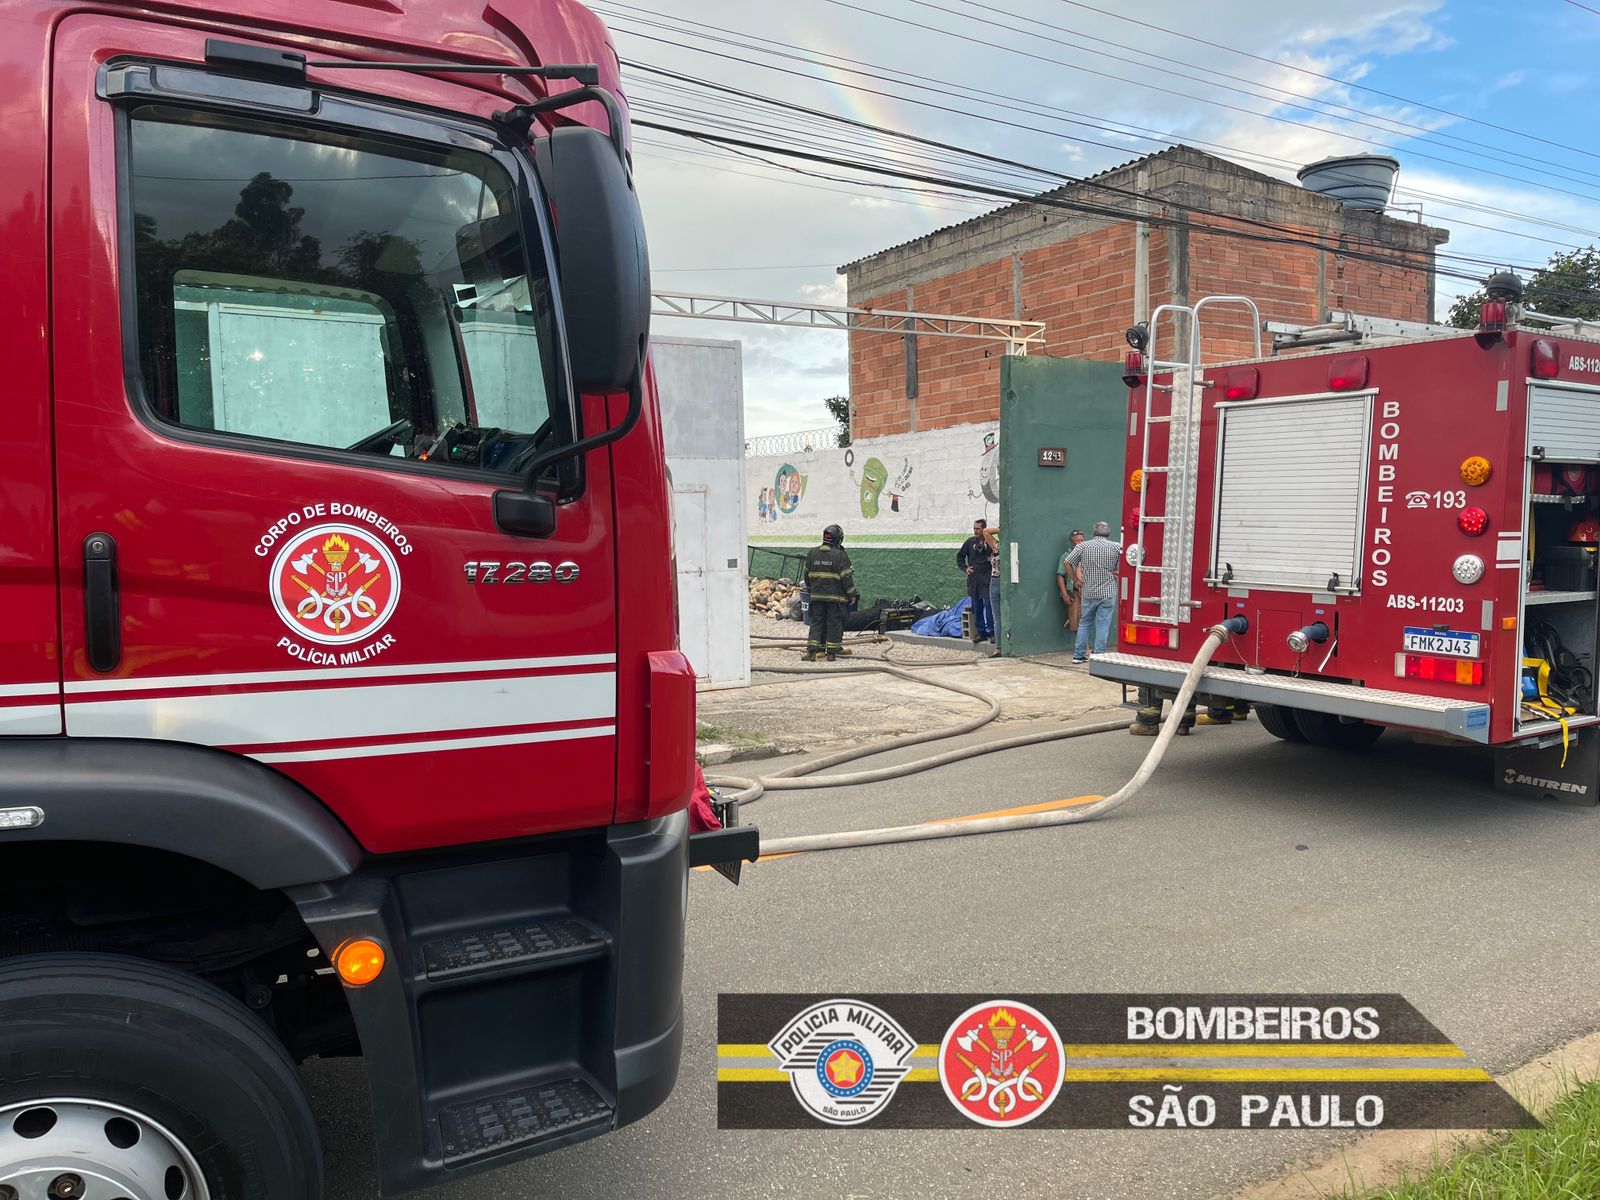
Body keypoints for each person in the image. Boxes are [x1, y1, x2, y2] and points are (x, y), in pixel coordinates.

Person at [1064, 520, 1121, 664]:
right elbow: (1120, 569)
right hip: (1107, 592)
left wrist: (1075, 579)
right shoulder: (1116, 547)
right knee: (1103, 624)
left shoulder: (1083, 546)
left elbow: (1067, 562)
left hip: (1088, 591)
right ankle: (1099, 656)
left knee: (1085, 623)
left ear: (1094, 532)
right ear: (1108, 532)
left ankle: (1078, 655)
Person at [803, 524, 858, 661]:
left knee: (817, 621)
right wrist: (852, 594)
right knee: (834, 622)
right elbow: (846, 577)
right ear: (838, 539)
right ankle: (832, 652)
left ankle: (812, 651)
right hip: (836, 598)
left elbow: (806, 576)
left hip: (817, 597)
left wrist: (812, 590)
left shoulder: (812, 553)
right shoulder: (840, 555)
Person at [956, 518, 994, 646]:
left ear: (984, 529)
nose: (975, 531)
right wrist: (965, 568)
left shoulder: (990, 541)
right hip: (974, 578)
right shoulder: (970, 542)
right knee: (976, 606)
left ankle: (992, 632)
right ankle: (981, 632)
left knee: (989, 606)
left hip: (987, 577)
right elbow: (960, 556)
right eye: (974, 528)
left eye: (978, 529)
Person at [1055, 528, 1085, 633]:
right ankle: (1083, 647)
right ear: (1072, 542)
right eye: (1077, 541)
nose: (1080, 543)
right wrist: (1064, 594)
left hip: (1087, 593)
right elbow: (1060, 575)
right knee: (1076, 625)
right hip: (1074, 593)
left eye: (1082, 540)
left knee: (1085, 620)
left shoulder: (1088, 554)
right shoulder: (1066, 556)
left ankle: (1071, 619)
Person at [982, 524, 1002, 657]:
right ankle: (999, 646)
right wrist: (1003, 529)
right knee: (997, 617)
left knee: (1000, 617)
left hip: (1003, 581)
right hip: (995, 580)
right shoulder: (997, 546)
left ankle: (1001, 646)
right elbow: (986, 531)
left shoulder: (1010, 547)